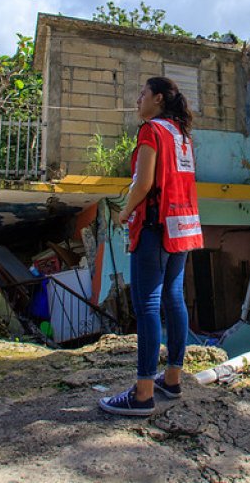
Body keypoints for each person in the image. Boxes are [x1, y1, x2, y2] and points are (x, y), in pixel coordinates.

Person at [100, 76, 204, 416]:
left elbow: (143, 183)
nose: (137, 99)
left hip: (155, 226)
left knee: (147, 303)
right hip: (182, 225)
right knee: (174, 297)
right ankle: (171, 377)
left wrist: (124, 212)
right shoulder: (182, 135)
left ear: (158, 98)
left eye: (141, 93)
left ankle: (143, 392)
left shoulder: (152, 131)